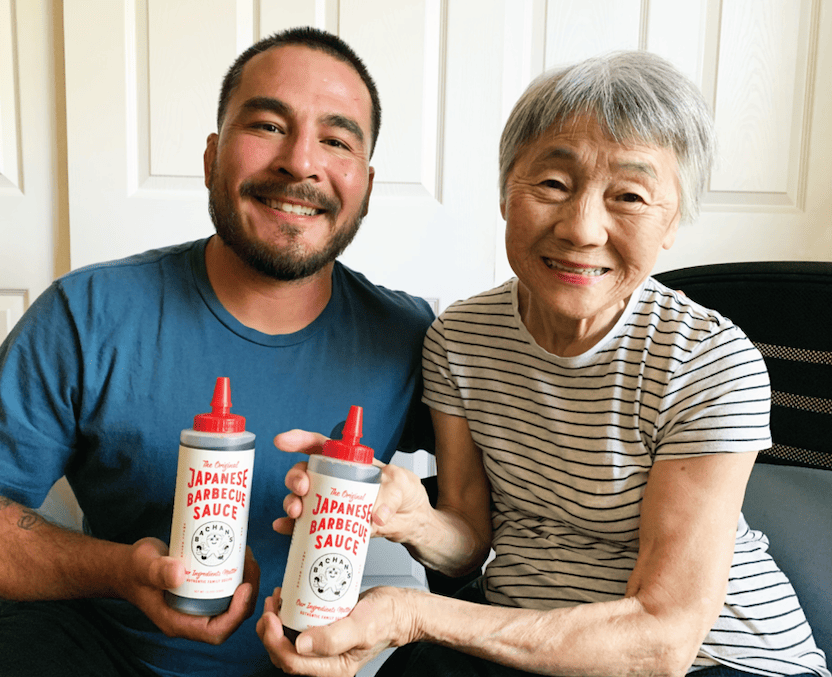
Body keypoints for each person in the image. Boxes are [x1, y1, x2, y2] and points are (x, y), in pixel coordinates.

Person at [257, 51, 831, 677]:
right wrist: (414, 519)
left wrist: (410, 614)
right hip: (525, 647)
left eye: (631, 196)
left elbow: (663, 639)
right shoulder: (460, 340)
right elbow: (468, 547)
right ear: (506, 193)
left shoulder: (709, 363)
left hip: (719, 661)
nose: (583, 228)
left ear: (672, 224)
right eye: (553, 185)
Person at [0, 27, 434, 677]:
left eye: (335, 139)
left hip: (300, 661)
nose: (301, 161)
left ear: (364, 185)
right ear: (211, 157)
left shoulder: (409, 336)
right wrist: (121, 570)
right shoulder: (89, 311)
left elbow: (494, 519)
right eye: (268, 125)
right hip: (93, 638)